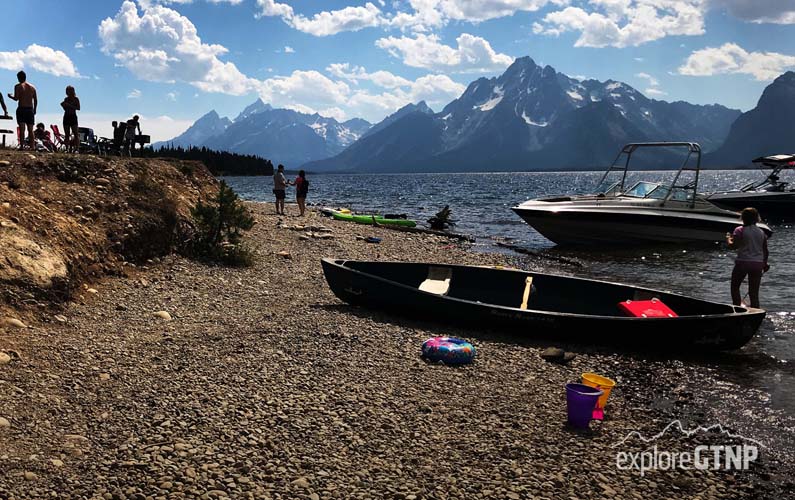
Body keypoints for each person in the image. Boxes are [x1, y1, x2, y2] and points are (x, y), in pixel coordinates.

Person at [726, 207, 769, 308]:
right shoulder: (761, 232)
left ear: (743, 218)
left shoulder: (739, 230)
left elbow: (734, 246)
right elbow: (765, 251)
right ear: (756, 218)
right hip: (757, 264)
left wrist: (728, 239)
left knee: (735, 287)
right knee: (754, 292)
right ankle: (756, 313)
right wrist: (765, 264)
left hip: (743, 262)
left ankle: (737, 309)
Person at [8, 71, 37, 150]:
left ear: (18, 78)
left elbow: (16, 98)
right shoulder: (32, 87)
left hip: (22, 108)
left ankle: (22, 146)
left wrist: (10, 96)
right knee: (30, 129)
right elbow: (36, 100)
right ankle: (32, 146)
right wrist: (35, 109)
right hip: (30, 109)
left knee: (22, 128)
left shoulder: (18, 86)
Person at [61, 85, 80, 152]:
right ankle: (67, 148)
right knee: (67, 134)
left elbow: (78, 108)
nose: (68, 92)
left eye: (70, 90)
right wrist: (64, 106)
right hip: (66, 116)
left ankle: (77, 148)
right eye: (67, 90)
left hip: (73, 116)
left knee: (75, 134)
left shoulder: (76, 99)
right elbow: (65, 109)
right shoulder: (66, 99)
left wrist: (69, 105)